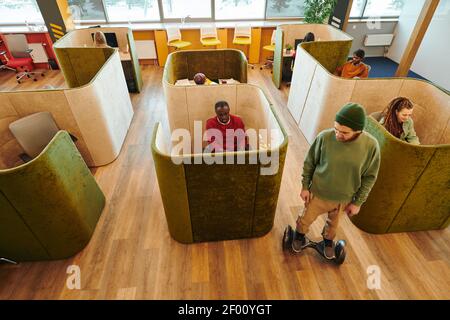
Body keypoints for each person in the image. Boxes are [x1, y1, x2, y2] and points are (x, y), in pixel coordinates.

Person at [292, 103, 380, 258]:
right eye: (336, 129)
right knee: (304, 220)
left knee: (333, 226)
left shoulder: (371, 147)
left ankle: (327, 242)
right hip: (318, 193)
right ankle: (299, 236)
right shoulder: (324, 138)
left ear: (359, 131)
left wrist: (358, 202)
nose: (338, 134)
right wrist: (305, 186)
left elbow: (369, 178)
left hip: (343, 198)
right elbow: (309, 163)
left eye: (344, 132)